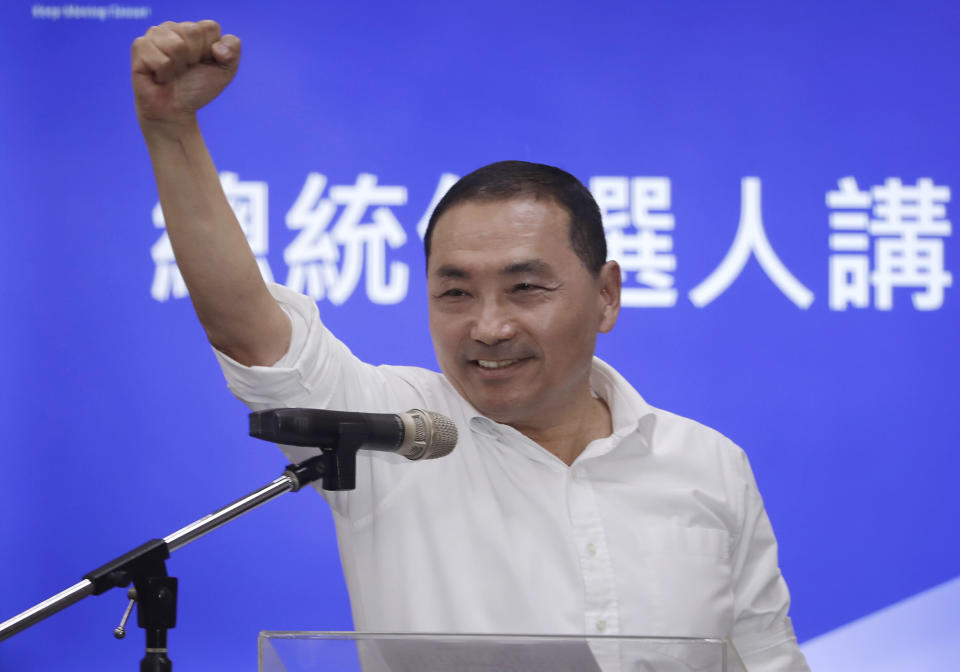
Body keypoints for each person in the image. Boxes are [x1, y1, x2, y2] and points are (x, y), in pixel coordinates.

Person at [132, 20, 811, 671]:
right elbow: (245, 325)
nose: (488, 326)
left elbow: (768, 659)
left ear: (606, 295)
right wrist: (171, 130)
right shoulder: (388, 433)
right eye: (455, 293)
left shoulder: (708, 465)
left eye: (525, 289)